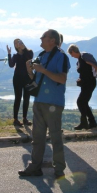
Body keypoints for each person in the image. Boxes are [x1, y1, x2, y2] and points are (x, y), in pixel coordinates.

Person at [18, 29, 70, 179]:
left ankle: (59, 170)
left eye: (44, 36)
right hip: (39, 101)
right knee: (37, 137)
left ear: (52, 40)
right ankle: (35, 167)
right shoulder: (41, 56)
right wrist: (30, 71)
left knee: (55, 138)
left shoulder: (61, 57)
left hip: (54, 102)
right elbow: (36, 78)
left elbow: (62, 79)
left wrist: (44, 70)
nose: (41, 38)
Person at [67, 44, 97, 130]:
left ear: (73, 51)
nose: (71, 56)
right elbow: (85, 71)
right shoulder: (79, 60)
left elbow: (96, 66)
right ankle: (92, 122)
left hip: (90, 83)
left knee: (80, 102)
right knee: (83, 102)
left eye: (71, 54)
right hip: (85, 84)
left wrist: (96, 76)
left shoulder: (84, 57)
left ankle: (85, 122)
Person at [7, 38, 33, 126]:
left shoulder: (29, 52)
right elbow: (11, 65)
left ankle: (25, 118)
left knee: (27, 98)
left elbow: (30, 58)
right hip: (17, 79)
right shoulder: (15, 56)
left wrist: (24, 49)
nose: (17, 44)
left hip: (27, 78)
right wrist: (9, 54)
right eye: (15, 43)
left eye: (19, 42)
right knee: (18, 98)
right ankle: (15, 119)